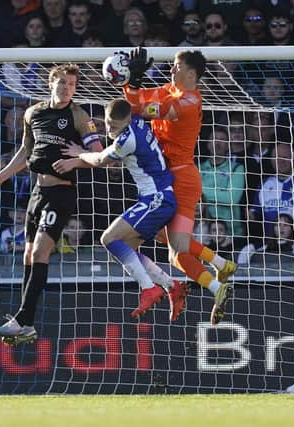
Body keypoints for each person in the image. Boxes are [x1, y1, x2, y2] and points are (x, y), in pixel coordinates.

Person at [0, 63, 103, 345]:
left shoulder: (79, 115)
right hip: (38, 192)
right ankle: (25, 323)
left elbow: (100, 154)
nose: (66, 89)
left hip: (61, 194)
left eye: (72, 85)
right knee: (27, 256)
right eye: (62, 83)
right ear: (50, 84)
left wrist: (77, 157)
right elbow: (25, 152)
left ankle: (23, 320)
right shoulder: (33, 112)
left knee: (39, 253)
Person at [122, 48, 236, 325]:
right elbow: (134, 103)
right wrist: (130, 82)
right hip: (163, 178)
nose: (171, 69)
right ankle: (221, 269)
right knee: (168, 244)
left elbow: (145, 109)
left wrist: (132, 82)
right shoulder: (168, 90)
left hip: (181, 179)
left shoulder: (188, 102)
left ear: (191, 73)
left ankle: (218, 278)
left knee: (177, 248)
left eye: (176, 65)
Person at [54, 99, 185, 320]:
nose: (110, 129)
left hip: (157, 198)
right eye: (107, 123)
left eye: (114, 126)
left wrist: (78, 154)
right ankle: (172, 286)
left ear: (126, 120)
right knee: (125, 250)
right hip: (154, 196)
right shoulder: (137, 118)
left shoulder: (127, 140)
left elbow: (98, 160)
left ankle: (149, 288)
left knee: (108, 239)